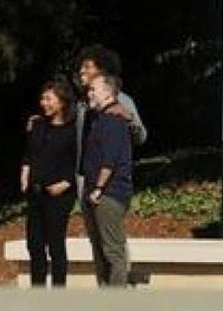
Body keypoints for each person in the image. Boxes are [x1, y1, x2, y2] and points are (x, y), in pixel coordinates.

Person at [20, 77, 78, 288]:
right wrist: (25, 171)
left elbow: (80, 162)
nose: (44, 103)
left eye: (49, 99)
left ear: (62, 101)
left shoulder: (73, 131)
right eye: (42, 99)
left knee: (56, 245)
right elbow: (29, 152)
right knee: (34, 245)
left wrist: (67, 183)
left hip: (59, 196)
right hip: (35, 193)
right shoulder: (37, 124)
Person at [80, 74, 133, 287]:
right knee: (99, 250)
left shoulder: (113, 120)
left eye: (94, 89)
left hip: (108, 194)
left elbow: (109, 161)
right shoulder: (100, 119)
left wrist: (99, 188)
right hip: (94, 192)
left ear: (108, 93)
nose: (89, 93)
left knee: (113, 251)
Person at [75, 44, 147, 147]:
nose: (81, 71)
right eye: (81, 67)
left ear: (101, 70)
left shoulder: (121, 99)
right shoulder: (81, 103)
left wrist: (130, 119)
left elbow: (141, 137)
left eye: (87, 67)